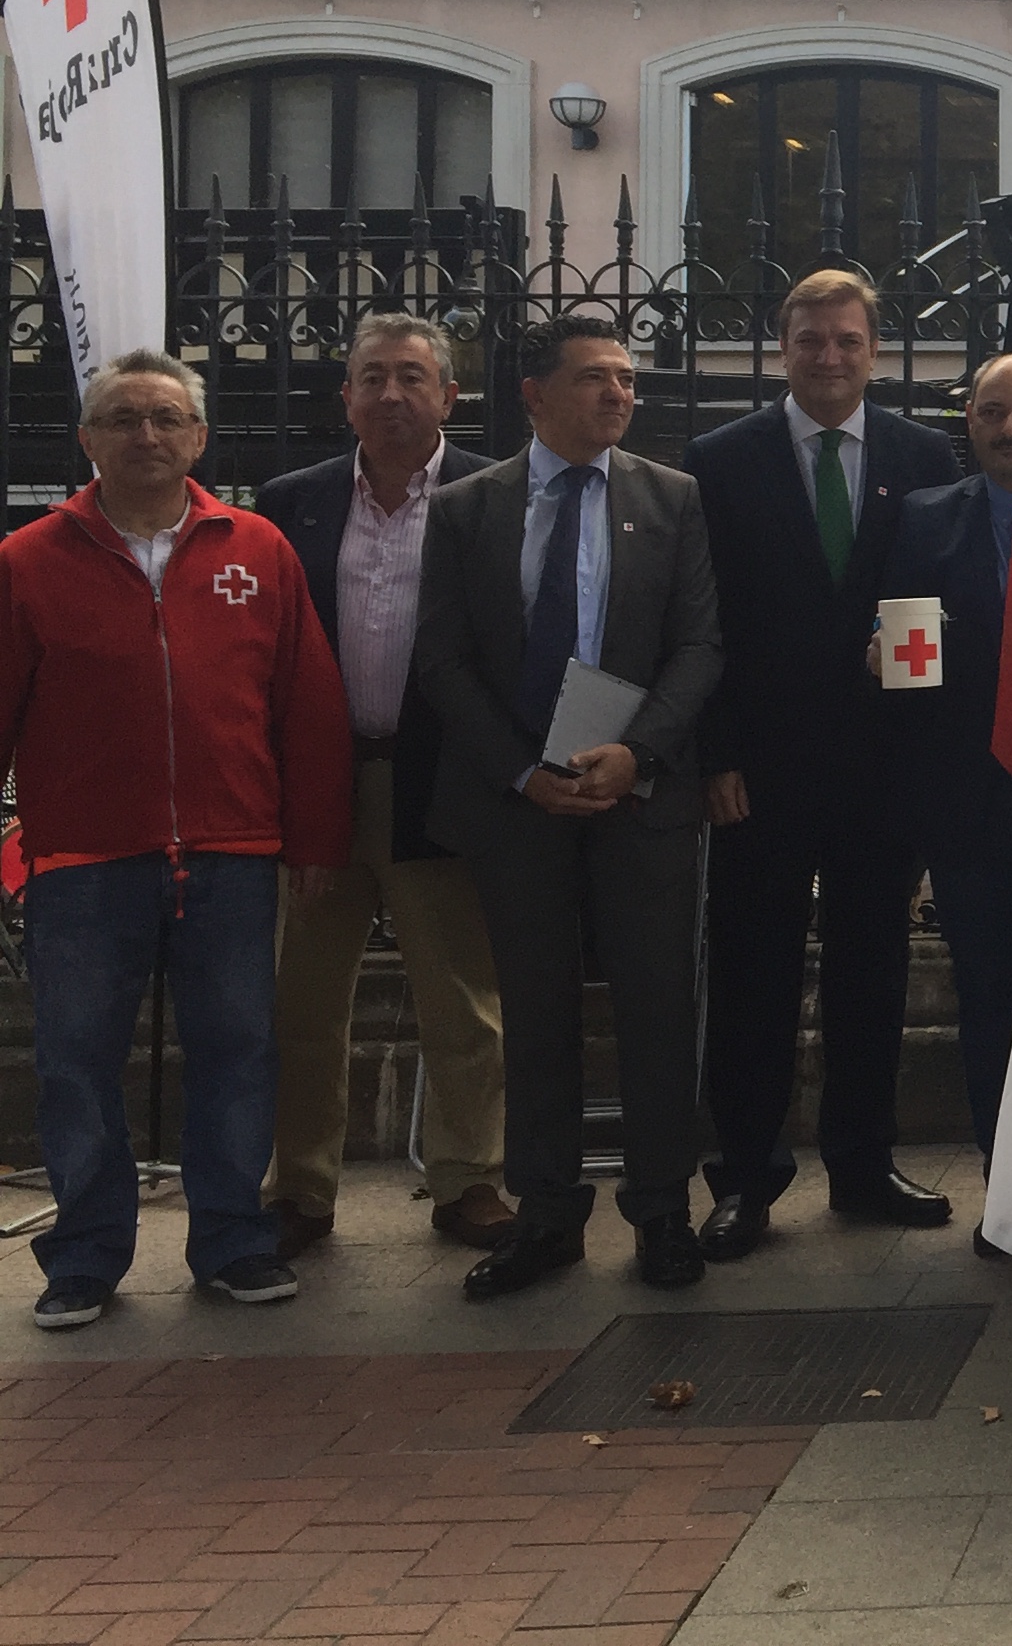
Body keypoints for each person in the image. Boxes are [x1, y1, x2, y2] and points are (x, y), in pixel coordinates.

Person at [0, 350, 351, 1331]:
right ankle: (85, 1255)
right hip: (82, 861)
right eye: (121, 418)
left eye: (165, 418)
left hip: (233, 856)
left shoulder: (259, 549)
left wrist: (314, 837)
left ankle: (233, 1240)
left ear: (199, 437)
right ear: (87, 439)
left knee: (239, 1051)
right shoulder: (26, 562)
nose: (144, 435)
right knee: (74, 1060)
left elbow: (307, 706)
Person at [416, 312, 722, 1300]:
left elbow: (699, 647)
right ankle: (545, 1215)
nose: (619, 395)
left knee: (657, 1008)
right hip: (520, 805)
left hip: (639, 799)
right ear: (534, 394)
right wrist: (521, 772)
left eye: (628, 380)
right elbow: (445, 658)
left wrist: (638, 755)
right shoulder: (468, 509)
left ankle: (664, 1212)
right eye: (596, 377)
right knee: (535, 1013)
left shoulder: (671, 500)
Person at [685, 272, 963, 1261]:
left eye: (848, 341)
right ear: (782, 344)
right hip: (756, 771)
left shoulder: (926, 457)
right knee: (753, 972)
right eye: (812, 341)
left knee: (872, 972)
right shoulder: (718, 461)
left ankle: (862, 1164)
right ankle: (745, 1180)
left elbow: (941, 605)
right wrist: (712, 750)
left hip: (880, 770)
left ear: (874, 350)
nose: (830, 358)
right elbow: (697, 622)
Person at [255, 314, 511, 1261]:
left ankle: (468, 1180)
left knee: (464, 1000)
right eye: (374, 378)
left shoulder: (496, 493)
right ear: (347, 399)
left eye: (414, 378)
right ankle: (301, 1190)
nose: (393, 395)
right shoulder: (293, 502)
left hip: (442, 780)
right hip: (323, 781)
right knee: (303, 1000)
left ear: (450, 395)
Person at [873, 353, 1012, 1195]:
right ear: (969, 421)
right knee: (993, 999)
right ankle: (1011, 1197)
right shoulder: (927, 521)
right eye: (993, 412)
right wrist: (878, 657)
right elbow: (898, 654)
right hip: (973, 800)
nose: (1011, 429)